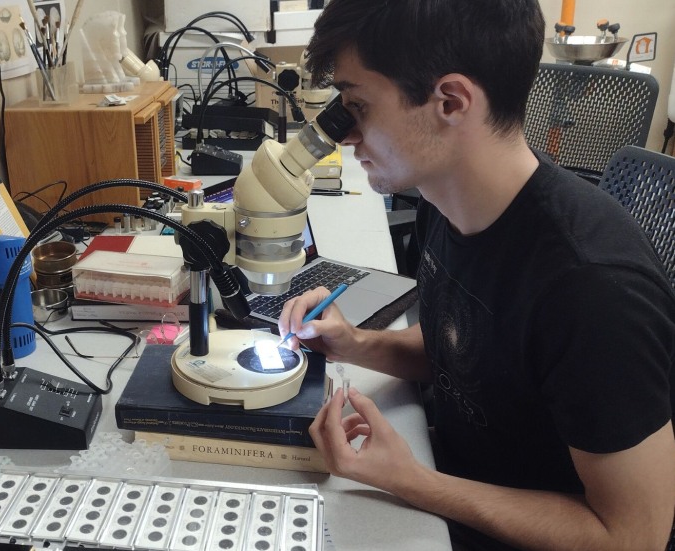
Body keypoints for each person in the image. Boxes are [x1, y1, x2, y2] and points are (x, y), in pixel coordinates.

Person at [278, 1, 675, 550]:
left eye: (358, 107)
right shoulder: (447, 201)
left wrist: (412, 482)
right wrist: (353, 344)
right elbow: (474, 354)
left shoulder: (592, 290)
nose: (346, 137)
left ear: (450, 101)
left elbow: (634, 537)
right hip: (455, 494)